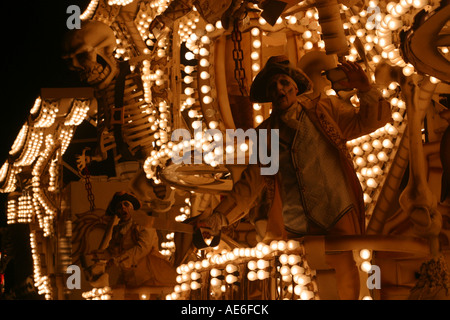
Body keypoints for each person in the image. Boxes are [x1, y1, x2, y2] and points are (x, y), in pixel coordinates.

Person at [196, 55, 392, 299]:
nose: (279, 88)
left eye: (284, 82)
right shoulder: (266, 134)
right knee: (306, 287)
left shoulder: (324, 110)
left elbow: (369, 121)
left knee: (346, 280)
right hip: (298, 225)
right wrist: (219, 217)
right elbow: (252, 182)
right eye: (273, 86)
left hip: (337, 212)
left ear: (295, 87)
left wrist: (365, 88)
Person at [91, 191, 177, 293]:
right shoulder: (118, 230)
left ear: (132, 208)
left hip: (149, 275)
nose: (123, 208)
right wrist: (96, 255)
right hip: (129, 277)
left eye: (126, 204)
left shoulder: (144, 223)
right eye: (119, 206)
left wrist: (118, 260)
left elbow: (143, 248)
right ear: (117, 212)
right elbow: (111, 251)